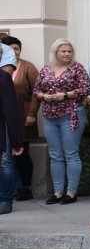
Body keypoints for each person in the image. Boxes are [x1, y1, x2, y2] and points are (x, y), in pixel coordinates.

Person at [33, 39, 90, 205]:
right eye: (63, 51)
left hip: (71, 115)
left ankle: (71, 192)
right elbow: (36, 90)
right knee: (55, 155)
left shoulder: (77, 68)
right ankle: (58, 192)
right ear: (55, 52)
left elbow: (86, 89)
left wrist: (65, 95)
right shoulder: (46, 69)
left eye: (69, 51)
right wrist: (43, 96)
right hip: (49, 116)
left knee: (71, 154)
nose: (67, 54)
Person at [2, 36, 39, 201]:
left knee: (13, 158)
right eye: (12, 48)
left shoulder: (25, 68)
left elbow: (36, 92)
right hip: (6, 119)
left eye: (17, 48)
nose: (14, 51)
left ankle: (17, 191)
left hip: (17, 119)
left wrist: (31, 113)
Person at [0, 67, 24, 214]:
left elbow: (11, 110)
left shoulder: (3, 77)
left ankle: (5, 199)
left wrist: (16, 140)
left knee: (5, 164)